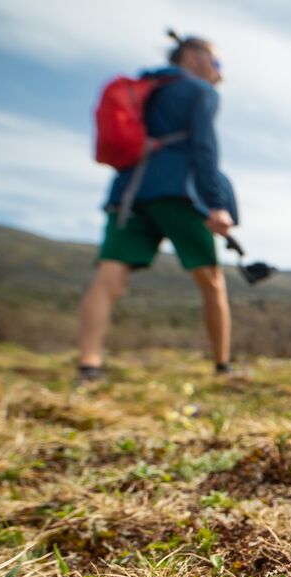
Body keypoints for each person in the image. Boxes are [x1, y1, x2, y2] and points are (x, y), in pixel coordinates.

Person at [77, 31, 238, 383]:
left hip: (129, 195)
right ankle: (223, 366)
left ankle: (89, 365)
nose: (219, 70)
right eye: (216, 61)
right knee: (211, 282)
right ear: (193, 56)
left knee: (108, 278)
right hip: (179, 191)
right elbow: (205, 149)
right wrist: (216, 204)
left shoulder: (147, 89)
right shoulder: (200, 91)